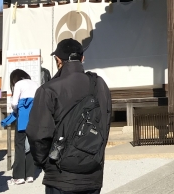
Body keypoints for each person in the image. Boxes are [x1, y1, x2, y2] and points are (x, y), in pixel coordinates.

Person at [27, 39, 111, 194]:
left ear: (58, 60)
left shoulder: (48, 89)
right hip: (93, 170)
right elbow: (105, 124)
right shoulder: (99, 85)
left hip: (60, 173)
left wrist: (45, 162)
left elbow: (38, 133)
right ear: (82, 58)